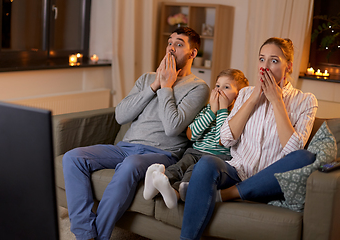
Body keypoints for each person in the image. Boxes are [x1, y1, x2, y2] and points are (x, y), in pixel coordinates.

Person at [62, 27, 210, 240]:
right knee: (73, 158)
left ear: (192, 53)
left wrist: (166, 87)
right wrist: (154, 86)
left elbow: (172, 127)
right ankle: (85, 234)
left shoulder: (198, 88)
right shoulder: (147, 79)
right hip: (125, 147)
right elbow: (121, 116)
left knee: (130, 165)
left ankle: (99, 236)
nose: (171, 49)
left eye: (179, 44)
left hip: (162, 153)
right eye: (169, 43)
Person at [180, 37, 318, 240]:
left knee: (305, 157)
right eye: (262, 59)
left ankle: (229, 194)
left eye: (274, 60)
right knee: (207, 162)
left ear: (288, 66)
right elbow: (226, 139)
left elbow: (293, 152)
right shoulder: (244, 94)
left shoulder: (305, 101)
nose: (265, 67)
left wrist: (276, 101)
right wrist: (254, 98)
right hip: (238, 171)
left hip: (270, 180)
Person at [143, 69, 249, 209]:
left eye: (226, 87)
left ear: (238, 96)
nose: (219, 91)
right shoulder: (207, 110)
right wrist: (212, 112)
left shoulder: (236, 117)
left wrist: (223, 110)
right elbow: (191, 135)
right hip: (194, 152)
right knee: (178, 168)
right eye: (217, 86)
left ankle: (176, 195)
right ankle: (155, 186)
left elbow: (222, 140)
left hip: (216, 159)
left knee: (193, 171)